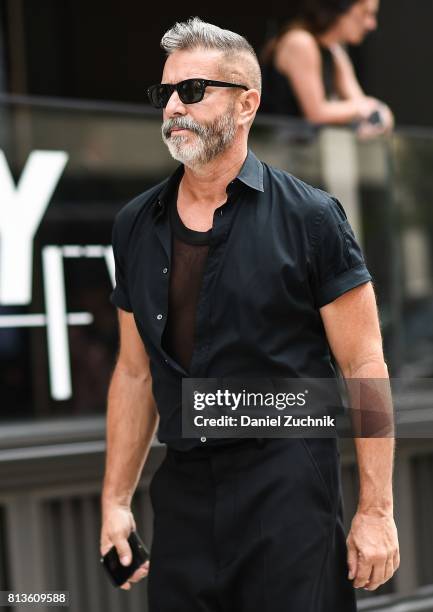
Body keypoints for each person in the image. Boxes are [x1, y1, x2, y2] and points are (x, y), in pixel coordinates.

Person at [100, 17, 399, 611]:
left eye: (193, 91)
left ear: (247, 104)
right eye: (165, 94)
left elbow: (365, 363)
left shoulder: (311, 218)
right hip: (184, 495)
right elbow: (134, 372)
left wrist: (376, 509)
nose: (173, 109)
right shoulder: (136, 224)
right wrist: (115, 501)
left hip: (287, 489)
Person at [260, 0, 394, 138]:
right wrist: (370, 107)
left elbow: (358, 100)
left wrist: (372, 109)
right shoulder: (300, 42)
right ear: (341, 8)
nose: (372, 24)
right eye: (365, 13)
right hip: (272, 149)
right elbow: (317, 113)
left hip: (301, 152)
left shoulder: (334, 51)